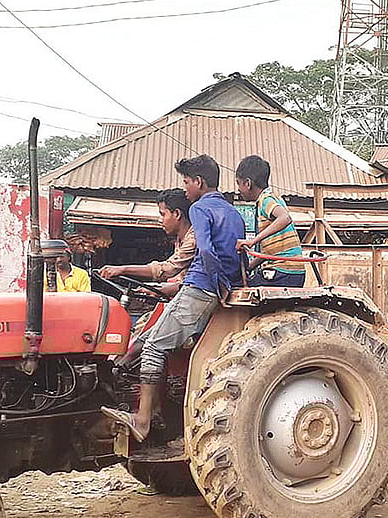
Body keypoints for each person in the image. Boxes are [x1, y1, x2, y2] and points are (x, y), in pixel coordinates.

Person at [103, 155, 245, 442]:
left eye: (186, 182)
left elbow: (205, 251)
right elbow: (237, 256)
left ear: (198, 182)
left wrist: (216, 280)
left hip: (199, 288)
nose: (185, 188)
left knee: (154, 345)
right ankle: (118, 380)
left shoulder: (201, 209)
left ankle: (142, 420)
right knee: (145, 338)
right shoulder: (234, 213)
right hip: (207, 287)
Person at [99, 188, 196, 367]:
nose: (160, 219)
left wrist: (123, 269)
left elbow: (166, 270)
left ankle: (118, 371)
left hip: (192, 303)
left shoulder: (193, 238)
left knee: (147, 340)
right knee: (139, 327)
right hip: (181, 295)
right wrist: (154, 288)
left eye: (162, 214)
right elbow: (179, 279)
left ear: (177, 214)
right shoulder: (180, 240)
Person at [234, 155, 306, 288]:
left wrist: (252, 241)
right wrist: (249, 266)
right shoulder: (276, 198)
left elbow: (285, 218)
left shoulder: (265, 200)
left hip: (282, 271)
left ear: (248, 183)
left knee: (240, 289)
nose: (238, 189)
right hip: (293, 272)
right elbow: (270, 252)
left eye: (239, 183)